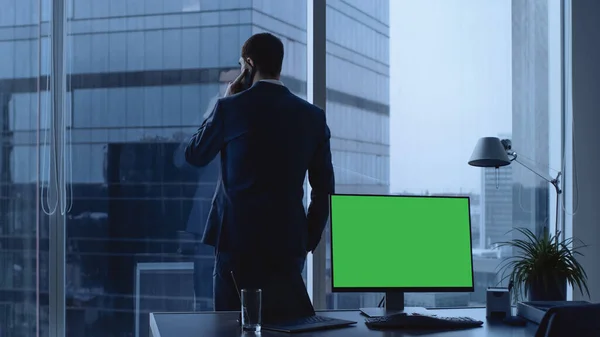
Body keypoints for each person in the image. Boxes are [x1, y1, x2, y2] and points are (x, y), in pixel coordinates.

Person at [184, 32, 334, 311]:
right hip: (287, 246)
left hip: (236, 245)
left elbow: (195, 154)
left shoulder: (231, 108)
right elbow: (324, 188)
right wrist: (307, 238)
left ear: (249, 65)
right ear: (279, 65)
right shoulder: (312, 116)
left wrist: (226, 99)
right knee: (285, 324)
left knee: (232, 327)